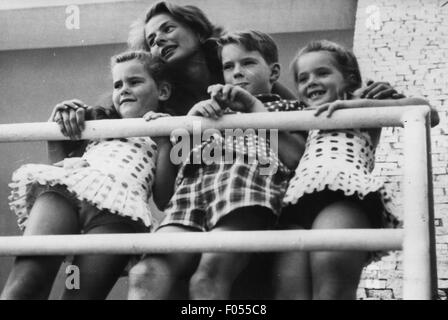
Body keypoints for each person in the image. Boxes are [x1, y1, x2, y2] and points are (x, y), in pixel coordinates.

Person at [128, 30, 306, 300]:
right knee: (145, 274)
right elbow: (167, 194)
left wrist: (252, 107)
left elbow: (295, 159)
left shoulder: (288, 108)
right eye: (228, 66)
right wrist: (190, 124)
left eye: (247, 63)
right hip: (191, 201)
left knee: (208, 275)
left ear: (273, 72)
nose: (237, 73)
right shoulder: (211, 113)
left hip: (243, 194)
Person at [0, 51, 176, 300]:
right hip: (67, 194)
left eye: (134, 82)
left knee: (78, 294)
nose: (124, 90)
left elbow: (163, 198)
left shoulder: (167, 129)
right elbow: (57, 164)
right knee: (25, 284)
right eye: (118, 84)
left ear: (163, 91)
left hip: (119, 213)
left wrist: (165, 139)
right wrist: (58, 128)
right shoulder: (97, 123)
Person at [273, 39, 439, 300]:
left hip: (343, 195)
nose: (311, 82)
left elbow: (427, 110)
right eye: (303, 78)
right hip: (294, 203)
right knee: (288, 294)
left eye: (323, 72)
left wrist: (356, 104)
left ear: (349, 78)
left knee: (332, 291)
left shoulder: (362, 101)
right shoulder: (303, 116)